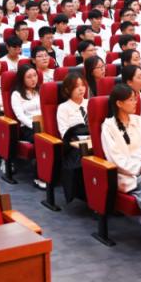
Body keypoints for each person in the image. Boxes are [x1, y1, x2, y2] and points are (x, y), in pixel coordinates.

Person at [101, 84, 141, 227]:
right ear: (119, 103)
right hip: (129, 173)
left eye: (135, 99)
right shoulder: (108, 127)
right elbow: (116, 159)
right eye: (131, 100)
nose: (135, 102)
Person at [55, 73, 90, 203]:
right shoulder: (63, 108)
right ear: (67, 90)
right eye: (76, 87)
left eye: (82, 85)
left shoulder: (90, 103)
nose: (81, 89)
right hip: (74, 147)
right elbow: (64, 133)